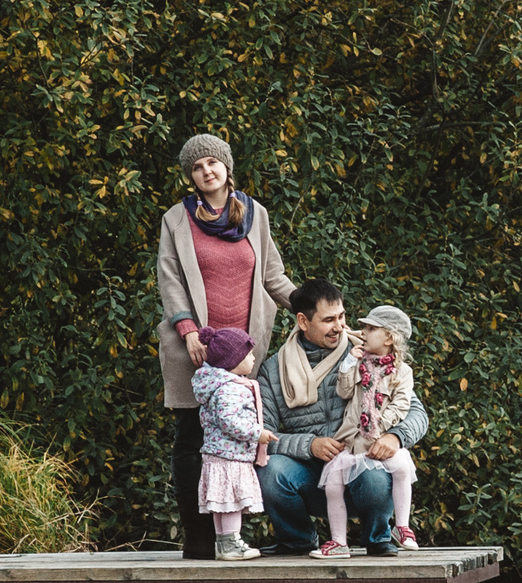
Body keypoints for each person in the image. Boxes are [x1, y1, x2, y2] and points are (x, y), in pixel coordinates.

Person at [156, 134, 295, 558]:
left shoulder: (256, 215)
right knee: (191, 441)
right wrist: (188, 329)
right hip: (194, 348)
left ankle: (229, 537)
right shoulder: (176, 219)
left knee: (235, 444)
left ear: (226, 167)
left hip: (241, 355)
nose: (206, 171)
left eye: (212, 163)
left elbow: (274, 277)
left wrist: (313, 308)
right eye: (197, 167)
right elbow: (170, 279)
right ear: (191, 177)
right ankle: (199, 542)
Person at [259, 280, 431, 556]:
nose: (340, 326)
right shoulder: (273, 369)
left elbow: (417, 413)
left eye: (341, 317)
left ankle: (378, 538)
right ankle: (297, 540)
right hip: (310, 475)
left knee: (375, 474)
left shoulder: (368, 354)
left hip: (360, 466)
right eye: (328, 320)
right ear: (303, 321)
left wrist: (395, 436)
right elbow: (261, 434)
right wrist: (309, 445)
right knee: (271, 470)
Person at [314, 306, 420, 558]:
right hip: (352, 444)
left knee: (403, 469)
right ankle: (338, 541)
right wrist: (349, 362)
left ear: (388, 338)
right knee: (332, 485)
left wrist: (380, 424)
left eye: (371, 329)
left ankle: (402, 527)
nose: (363, 332)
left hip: (377, 440)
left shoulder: (402, 372)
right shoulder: (358, 363)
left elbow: (402, 403)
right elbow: (344, 391)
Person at [191, 327, 275, 560]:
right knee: (231, 502)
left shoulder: (218, 384)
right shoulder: (230, 388)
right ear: (233, 360)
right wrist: (256, 433)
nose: (253, 358)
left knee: (222, 500)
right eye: (248, 355)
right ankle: (230, 543)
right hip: (230, 455)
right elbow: (228, 420)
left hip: (219, 454)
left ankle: (224, 543)